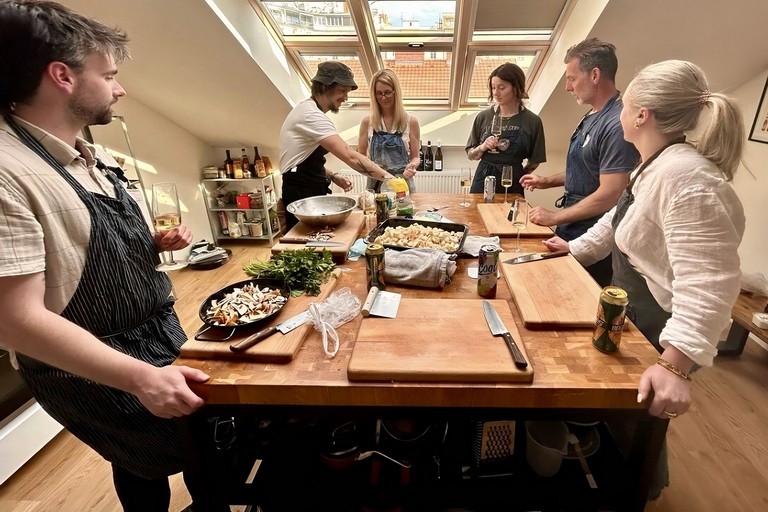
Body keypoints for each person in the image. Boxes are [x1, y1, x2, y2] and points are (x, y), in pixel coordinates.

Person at [0, 2, 224, 511]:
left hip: (156, 331)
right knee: (164, 449)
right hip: (91, 364)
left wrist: (152, 244)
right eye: (109, 75)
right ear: (62, 76)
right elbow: (13, 320)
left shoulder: (86, 151)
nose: (119, 89)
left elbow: (81, 247)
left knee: (165, 451)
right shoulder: (7, 172)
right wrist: (141, 378)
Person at [543, 60, 746, 499]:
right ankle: (606, 473)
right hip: (626, 301)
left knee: (640, 415)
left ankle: (640, 492)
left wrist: (676, 364)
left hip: (658, 319)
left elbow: (710, 283)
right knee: (615, 405)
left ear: (642, 115)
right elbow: (618, 222)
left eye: (627, 100)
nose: (619, 107)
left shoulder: (688, 179)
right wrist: (573, 248)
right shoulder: (653, 164)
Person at [520, 39, 639, 287]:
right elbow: (587, 168)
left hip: (592, 236)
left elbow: (611, 194)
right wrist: (547, 181)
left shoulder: (616, 123)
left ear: (594, 75)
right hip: (571, 226)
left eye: (572, 79)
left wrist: (554, 217)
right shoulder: (593, 114)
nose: (567, 87)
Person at [279, 61, 394, 230]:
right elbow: (351, 157)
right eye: (342, 91)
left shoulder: (308, 110)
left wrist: (332, 176)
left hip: (308, 189)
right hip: (302, 195)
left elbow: (300, 162)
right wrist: (391, 179)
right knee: (307, 247)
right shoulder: (311, 115)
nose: (346, 97)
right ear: (325, 87)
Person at [466, 62, 546, 196]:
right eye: (493, 87)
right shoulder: (484, 117)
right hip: (483, 180)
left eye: (501, 87)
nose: (496, 93)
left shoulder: (532, 121)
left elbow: (535, 161)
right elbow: (470, 155)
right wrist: (483, 147)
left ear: (516, 88)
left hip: (511, 183)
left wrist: (518, 176)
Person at [357, 68, 421, 192]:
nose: (383, 97)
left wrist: (412, 166)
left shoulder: (410, 122)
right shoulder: (367, 122)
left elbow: (416, 157)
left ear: (395, 92)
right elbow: (360, 157)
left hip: (402, 186)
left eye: (387, 92)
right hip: (375, 186)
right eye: (379, 93)